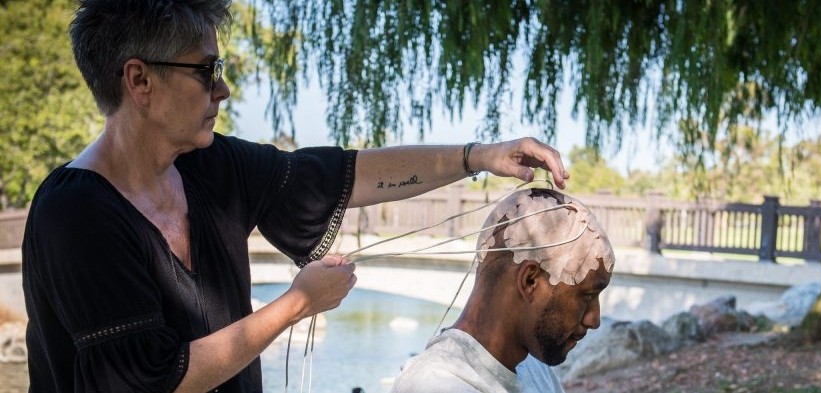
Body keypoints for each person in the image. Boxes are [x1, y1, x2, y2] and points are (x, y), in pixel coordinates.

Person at [20, 1, 569, 392]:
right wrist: (296, 304)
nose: (223, 88)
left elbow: (342, 175)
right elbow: (154, 377)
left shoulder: (209, 166)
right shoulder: (75, 214)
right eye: (206, 70)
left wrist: (478, 156)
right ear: (139, 81)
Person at [391, 188, 615, 393]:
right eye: (587, 296)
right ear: (530, 281)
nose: (594, 320)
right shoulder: (434, 385)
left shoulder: (533, 367)